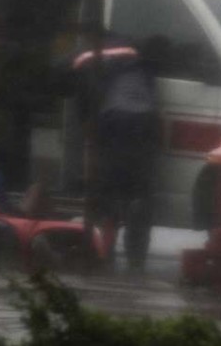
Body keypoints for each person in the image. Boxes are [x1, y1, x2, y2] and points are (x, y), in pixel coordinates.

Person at [66, 32, 160, 271]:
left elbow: (83, 104)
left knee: (108, 188)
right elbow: (152, 91)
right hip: (147, 120)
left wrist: (88, 132)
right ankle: (136, 257)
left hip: (114, 119)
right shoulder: (136, 57)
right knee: (141, 191)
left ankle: (104, 251)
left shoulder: (86, 59)